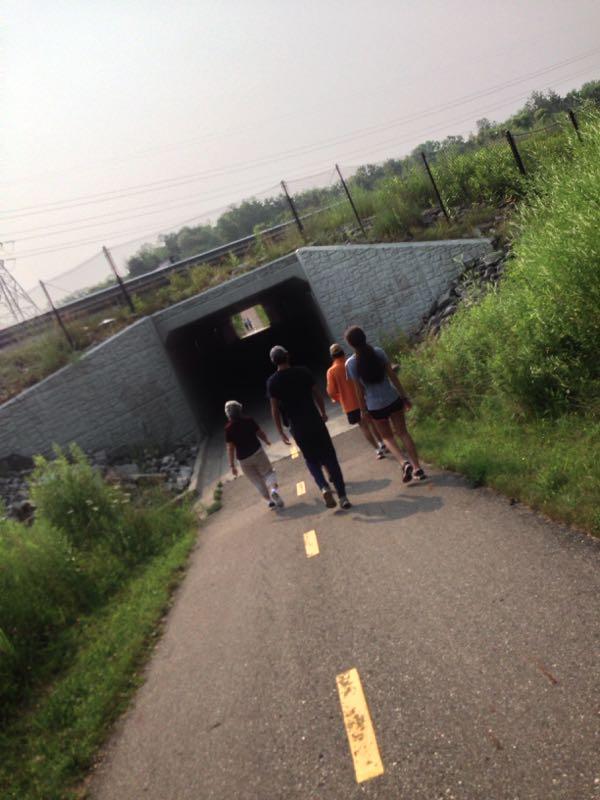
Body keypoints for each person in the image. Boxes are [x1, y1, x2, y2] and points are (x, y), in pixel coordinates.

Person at [266, 345, 351, 510]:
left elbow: (274, 409)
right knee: (329, 457)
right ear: (288, 356)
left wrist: (280, 431)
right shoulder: (303, 372)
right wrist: (323, 412)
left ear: (273, 361)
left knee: (311, 460)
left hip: (297, 427)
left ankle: (323, 486)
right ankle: (342, 496)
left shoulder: (272, 382)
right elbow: (317, 393)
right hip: (314, 420)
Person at [344, 326, 427, 482]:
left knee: (387, 438)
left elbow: (359, 391)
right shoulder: (379, 352)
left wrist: (364, 411)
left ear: (350, 344)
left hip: (375, 407)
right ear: (365, 337)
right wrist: (404, 396)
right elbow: (393, 377)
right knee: (403, 433)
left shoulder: (351, 364)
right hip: (392, 398)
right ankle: (418, 468)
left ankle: (404, 463)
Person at [326, 343, 388, 460]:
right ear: (343, 352)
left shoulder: (331, 372)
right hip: (365, 399)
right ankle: (382, 443)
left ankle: (377, 450)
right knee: (372, 422)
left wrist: (340, 398)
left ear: (332, 356)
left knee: (363, 427)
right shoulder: (351, 363)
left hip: (350, 405)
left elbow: (331, 391)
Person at [224, 400, 284, 509]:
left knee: (256, 481)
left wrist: (232, 465)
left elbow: (230, 448)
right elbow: (259, 432)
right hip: (257, 452)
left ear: (228, 414)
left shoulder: (228, 429)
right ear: (240, 409)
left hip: (243, 459)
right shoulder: (248, 420)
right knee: (268, 473)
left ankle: (269, 501)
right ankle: (273, 490)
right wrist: (266, 440)